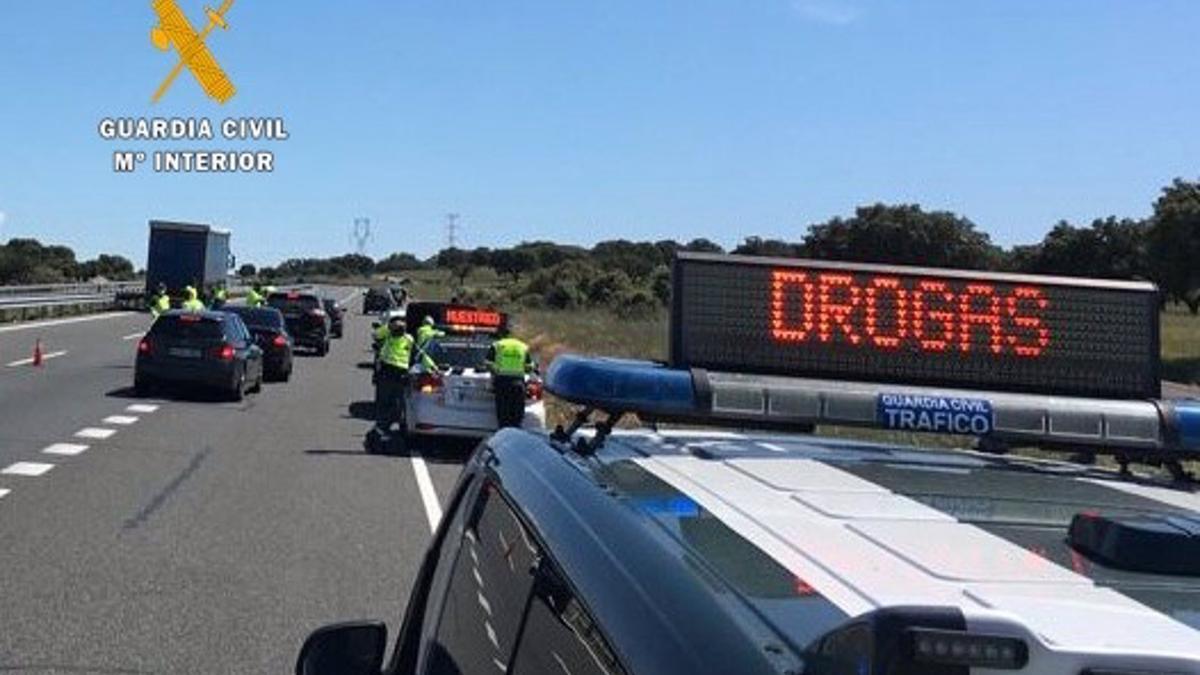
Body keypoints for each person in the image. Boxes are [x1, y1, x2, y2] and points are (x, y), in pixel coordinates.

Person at [373, 315, 415, 443]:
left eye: (401, 327)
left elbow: (418, 353)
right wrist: (389, 326)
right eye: (397, 327)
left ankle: (380, 429)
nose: (399, 329)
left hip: (401, 375)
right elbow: (376, 334)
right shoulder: (388, 337)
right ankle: (380, 431)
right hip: (387, 372)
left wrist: (432, 367)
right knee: (383, 404)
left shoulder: (409, 339)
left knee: (398, 407)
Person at [485, 327, 536, 429]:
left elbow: (488, 364)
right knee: (517, 413)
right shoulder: (523, 346)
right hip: (518, 384)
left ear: (499, 336)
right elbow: (530, 367)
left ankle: (504, 433)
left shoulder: (497, 345)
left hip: (502, 383)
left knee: (503, 413)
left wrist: (496, 372)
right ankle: (515, 434)